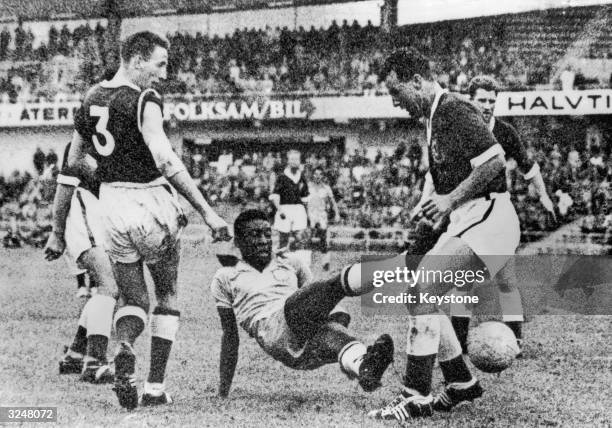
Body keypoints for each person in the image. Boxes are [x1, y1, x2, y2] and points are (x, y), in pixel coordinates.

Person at [45, 31, 231, 410]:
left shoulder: (91, 98)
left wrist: (108, 168)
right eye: (159, 64)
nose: (163, 74)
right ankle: (155, 387)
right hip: (150, 202)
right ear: (135, 59)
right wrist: (207, 212)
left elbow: (75, 161)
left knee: (132, 298)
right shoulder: (144, 99)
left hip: (113, 207)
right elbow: (164, 159)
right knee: (167, 295)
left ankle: (124, 344)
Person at [369, 47, 520, 421]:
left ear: (416, 82)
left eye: (396, 92)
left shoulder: (453, 108)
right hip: (471, 218)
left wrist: (449, 200)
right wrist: (430, 217)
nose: (395, 102)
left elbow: (495, 162)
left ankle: (414, 395)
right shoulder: (435, 117)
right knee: (419, 294)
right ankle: (461, 382)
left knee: (423, 289)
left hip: (488, 218)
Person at [211, 209, 394, 398]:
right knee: (317, 294)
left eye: (268, 234)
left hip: (305, 338)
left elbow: (316, 296)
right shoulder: (225, 276)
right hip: (274, 332)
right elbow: (230, 336)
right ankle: (399, 264)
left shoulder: (290, 261)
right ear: (239, 241)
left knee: (330, 327)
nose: (264, 240)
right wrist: (223, 392)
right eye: (255, 235)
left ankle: (363, 367)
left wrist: (335, 319)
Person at [448, 75, 558, 354]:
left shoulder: (505, 131)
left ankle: (515, 341)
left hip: (495, 211)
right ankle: (459, 344)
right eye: (481, 100)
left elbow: (528, 166)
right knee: (463, 282)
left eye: (491, 101)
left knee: (506, 279)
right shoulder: (458, 130)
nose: (486, 105)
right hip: (466, 212)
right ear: (470, 99)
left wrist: (543, 195)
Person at [45, 142, 117, 384]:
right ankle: (94, 361)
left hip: (94, 216)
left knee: (105, 291)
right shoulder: (85, 142)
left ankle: (75, 355)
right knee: (108, 287)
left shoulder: (106, 137)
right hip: (83, 216)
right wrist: (57, 233)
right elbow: (69, 180)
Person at [269, 150, 309, 251]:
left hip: (298, 209)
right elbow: (276, 196)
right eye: (292, 159)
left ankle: (300, 262)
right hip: (285, 209)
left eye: (297, 159)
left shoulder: (302, 177)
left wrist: (307, 214)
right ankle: (282, 263)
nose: (295, 161)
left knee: (300, 238)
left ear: (300, 161)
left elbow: (305, 198)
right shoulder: (282, 177)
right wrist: (280, 210)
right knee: (283, 240)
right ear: (288, 161)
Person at [306, 166, 340, 270]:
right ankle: (306, 262)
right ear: (313, 175)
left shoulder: (326, 188)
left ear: (323, 176)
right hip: (310, 214)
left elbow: (333, 202)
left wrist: (337, 213)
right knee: (308, 238)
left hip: (321, 214)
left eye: (320, 174)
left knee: (323, 237)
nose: (318, 176)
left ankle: (325, 262)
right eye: (316, 174)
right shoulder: (308, 187)